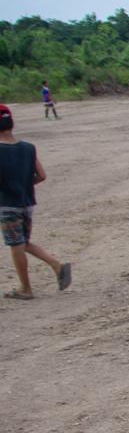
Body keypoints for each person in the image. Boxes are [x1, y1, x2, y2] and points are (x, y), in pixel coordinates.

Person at [0, 104, 71, 300]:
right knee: (24, 242)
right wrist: (23, 184)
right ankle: (56, 266)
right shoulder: (28, 148)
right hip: (27, 202)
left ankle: (26, 288)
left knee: (16, 244)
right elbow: (41, 175)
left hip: (7, 204)